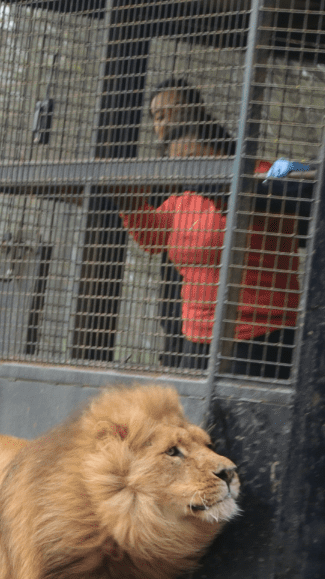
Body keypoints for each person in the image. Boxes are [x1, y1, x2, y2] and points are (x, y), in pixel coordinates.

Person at [118, 78, 303, 380]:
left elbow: (297, 186)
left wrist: (213, 181)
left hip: (259, 334)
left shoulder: (258, 173)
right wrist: (128, 201)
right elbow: (153, 237)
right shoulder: (183, 200)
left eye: (168, 113)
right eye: (155, 117)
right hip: (197, 337)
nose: (160, 124)